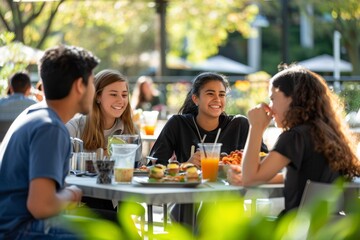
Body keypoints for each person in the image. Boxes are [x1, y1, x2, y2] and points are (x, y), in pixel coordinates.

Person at [228, 64, 360, 216]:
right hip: (328, 229)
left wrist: (256, 128)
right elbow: (307, 178)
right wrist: (251, 175)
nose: (270, 107)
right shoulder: (329, 135)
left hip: (297, 229)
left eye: (273, 99)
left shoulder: (294, 137)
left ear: (292, 98)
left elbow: (250, 180)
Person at [0, 45, 100, 239]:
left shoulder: (33, 114)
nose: (94, 90)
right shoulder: (50, 127)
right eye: (93, 82)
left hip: (12, 225)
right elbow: (41, 206)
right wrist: (71, 194)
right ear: (80, 85)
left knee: (109, 224)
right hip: (19, 230)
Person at [66, 69, 141, 219]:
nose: (121, 100)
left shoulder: (131, 131)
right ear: (98, 96)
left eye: (124, 95)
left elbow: (137, 171)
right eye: (113, 94)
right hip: (79, 201)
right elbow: (63, 172)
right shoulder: (74, 127)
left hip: (115, 200)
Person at [149, 72, 268, 167]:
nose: (217, 99)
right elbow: (154, 165)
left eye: (221, 95)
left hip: (230, 194)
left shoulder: (240, 124)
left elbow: (264, 161)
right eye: (210, 94)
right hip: (190, 194)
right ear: (196, 99)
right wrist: (185, 165)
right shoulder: (178, 124)